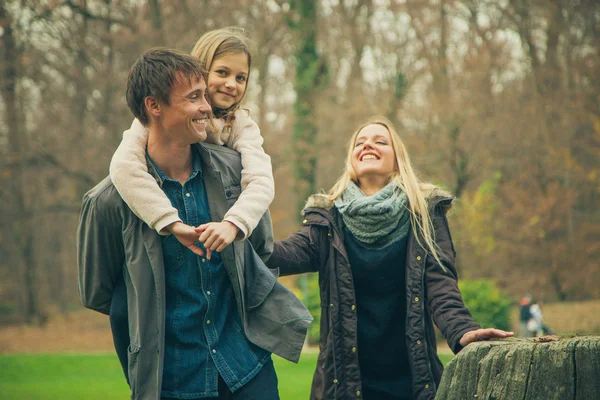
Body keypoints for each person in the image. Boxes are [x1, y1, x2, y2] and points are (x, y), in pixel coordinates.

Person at [77, 48, 311, 400]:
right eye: (194, 97)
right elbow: (99, 291)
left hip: (247, 370)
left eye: (205, 94)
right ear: (154, 106)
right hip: (171, 382)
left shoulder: (236, 173)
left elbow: (259, 250)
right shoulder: (108, 201)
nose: (208, 107)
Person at [266, 117, 514, 400]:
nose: (368, 144)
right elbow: (278, 256)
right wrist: (236, 226)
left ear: (397, 161)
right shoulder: (326, 219)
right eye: (360, 142)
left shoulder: (424, 213)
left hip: (412, 383)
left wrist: (463, 331)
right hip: (343, 386)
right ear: (352, 160)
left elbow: (441, 287)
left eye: (380, 141)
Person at [107, 27, 275, 383]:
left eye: (241, 77)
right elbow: (124, 167)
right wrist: (169, 221)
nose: (232, 84)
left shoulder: (240, 124)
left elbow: (260, 180)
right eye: (222, 73)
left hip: (240, 342)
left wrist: (233, 223)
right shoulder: (148, 123)